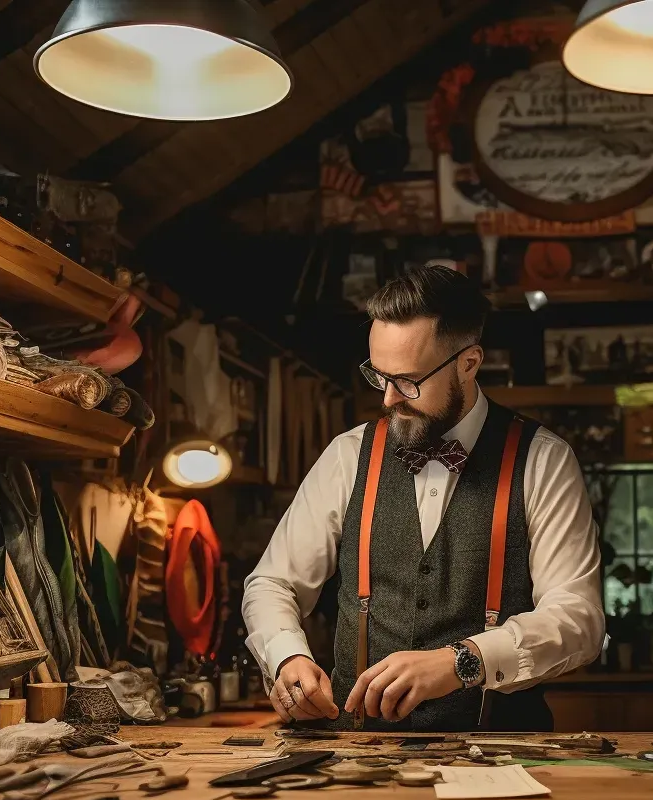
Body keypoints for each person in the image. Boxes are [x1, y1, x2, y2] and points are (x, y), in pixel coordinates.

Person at [243, 266, 604, 731]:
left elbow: (579, 619)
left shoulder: (543, 461)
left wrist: (464, 661)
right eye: (379, 376)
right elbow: (273, 583)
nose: (389, 399)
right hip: (361, 751)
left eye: (409, 381)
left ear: (468, 363)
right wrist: (287, 657)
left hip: (503, 751)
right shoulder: (348, 455)